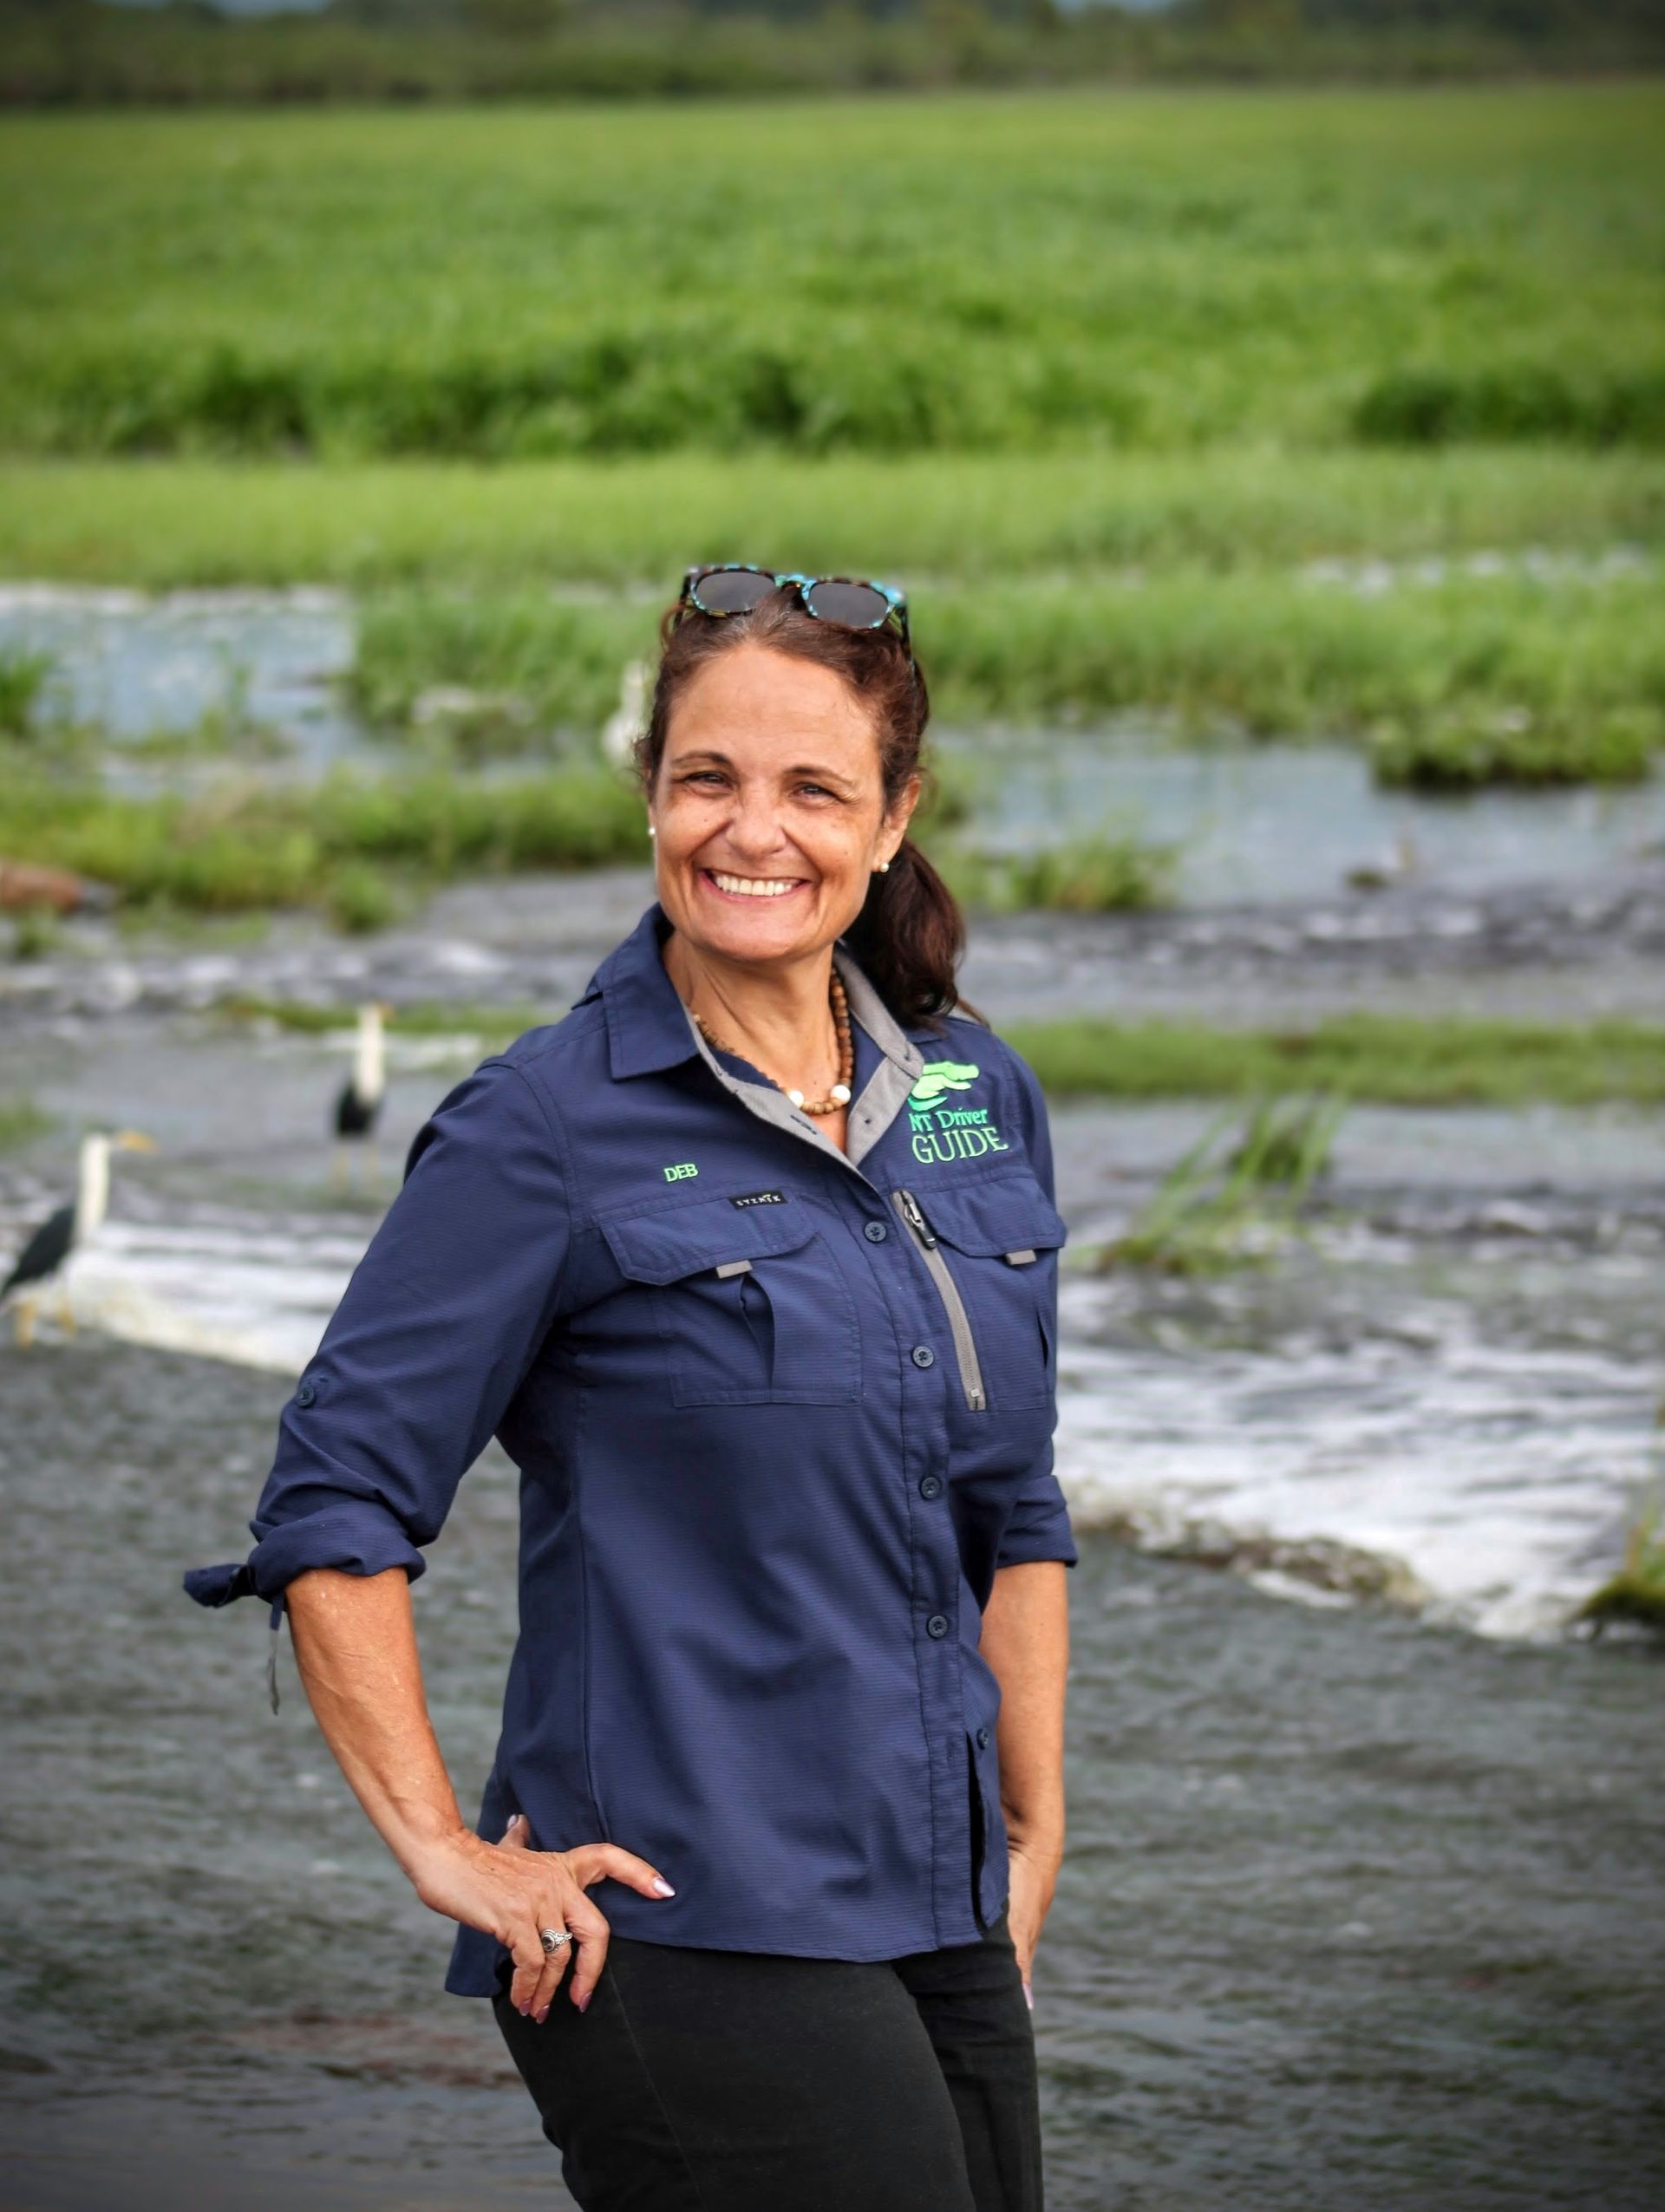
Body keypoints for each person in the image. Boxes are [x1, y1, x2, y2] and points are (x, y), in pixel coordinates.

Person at [186, 565, 1075, 2212]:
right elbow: (335, 1511)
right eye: (706, 779)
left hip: (941, 1905)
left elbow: (1010, 1499)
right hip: (677, 1912)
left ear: (894, 819)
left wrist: (1031, 1836)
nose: (755, 831)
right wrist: (449, 1848)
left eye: (816, 787)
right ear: (652, 796)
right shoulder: (542, 1126)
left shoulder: (972, 1088)